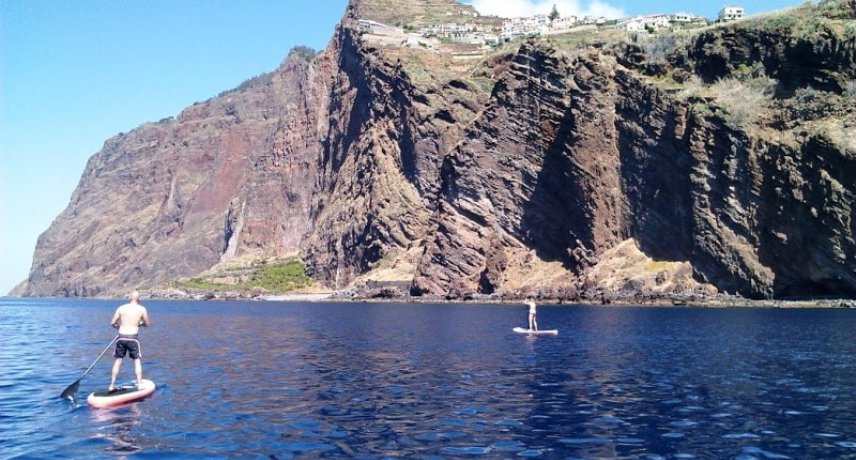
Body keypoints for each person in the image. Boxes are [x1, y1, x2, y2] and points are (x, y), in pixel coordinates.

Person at [108, 290, 150, 391]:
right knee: (136, 361)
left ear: (129, 298)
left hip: (121, 337)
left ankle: (111, 385)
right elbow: (147, 324)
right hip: (133, 338)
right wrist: (140, 323)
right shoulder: (142, 309)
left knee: (118, 361)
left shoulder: (121, 308)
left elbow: (113, 322)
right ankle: (139, 384)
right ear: (139, 299)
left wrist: (119, 327)